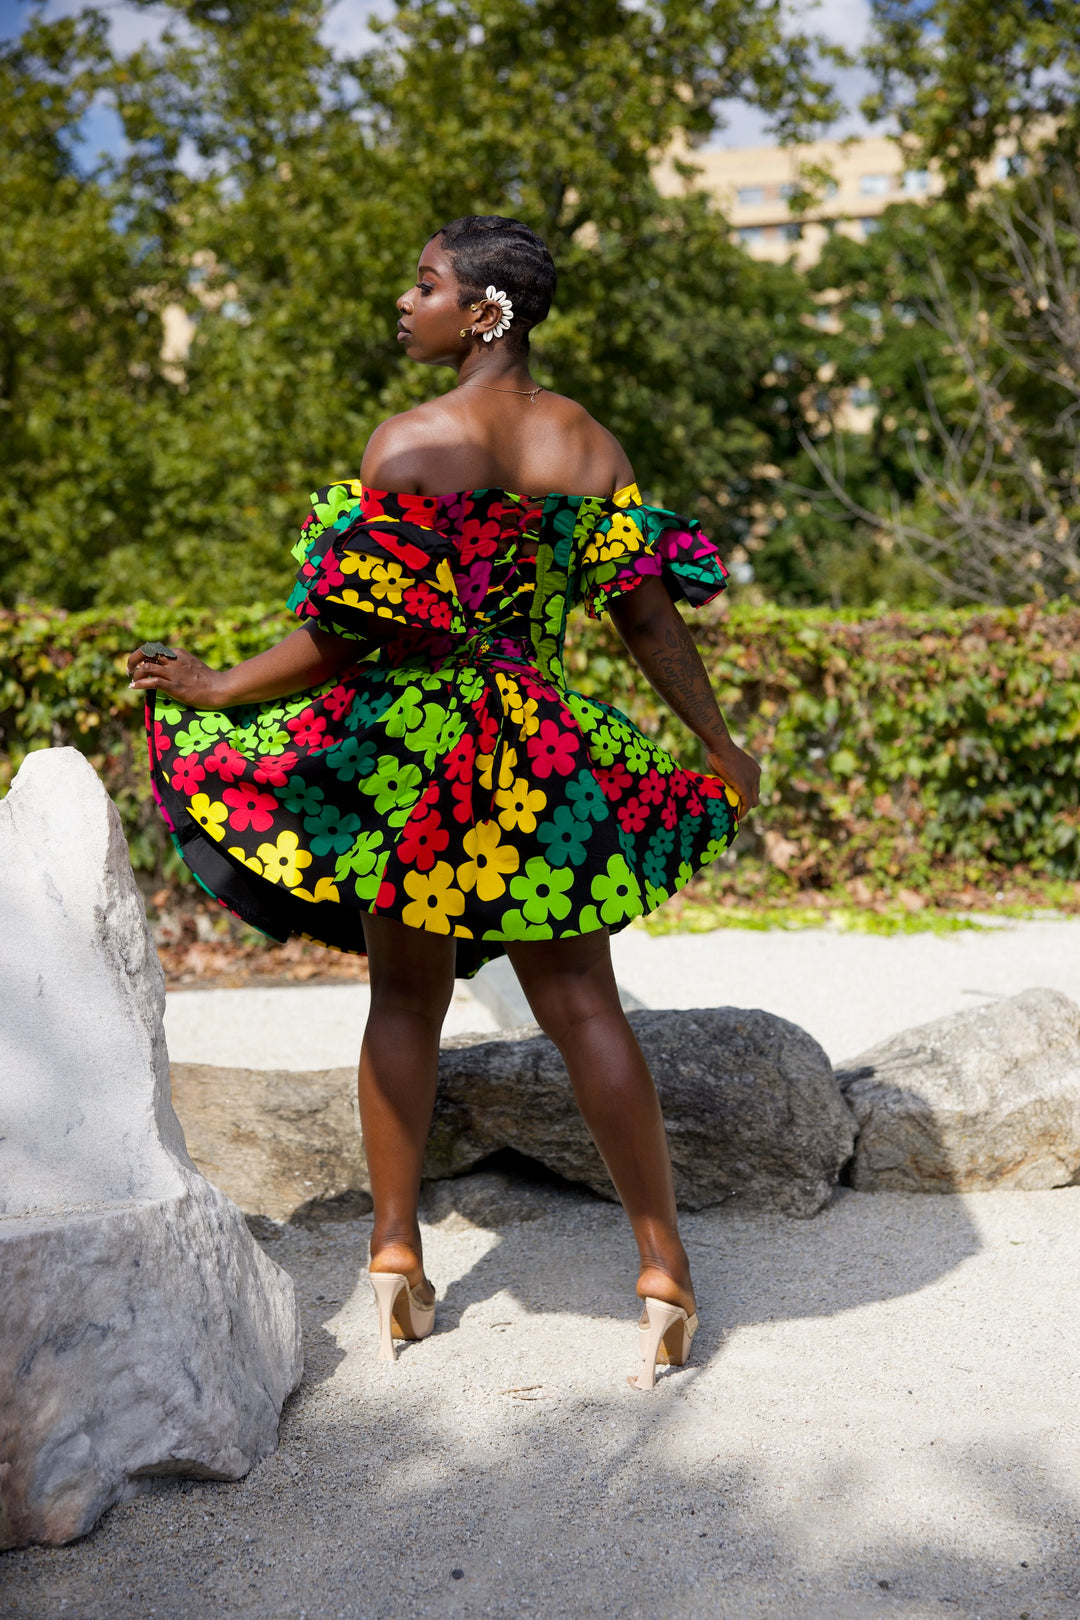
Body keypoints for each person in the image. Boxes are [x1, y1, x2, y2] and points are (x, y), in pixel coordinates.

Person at [128, 215, 761, 1390]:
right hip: (537, 750)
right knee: (582, 1002)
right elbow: (646, 616)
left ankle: (395, 1257)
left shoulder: (410, 443)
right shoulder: (590, 446)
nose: (404, 303)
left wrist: (215, 688)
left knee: (403, 1001)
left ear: (486, 312)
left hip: (416, 754)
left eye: (424, 285)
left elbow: (342, 632)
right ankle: (663, 1270)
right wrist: (716, 743)